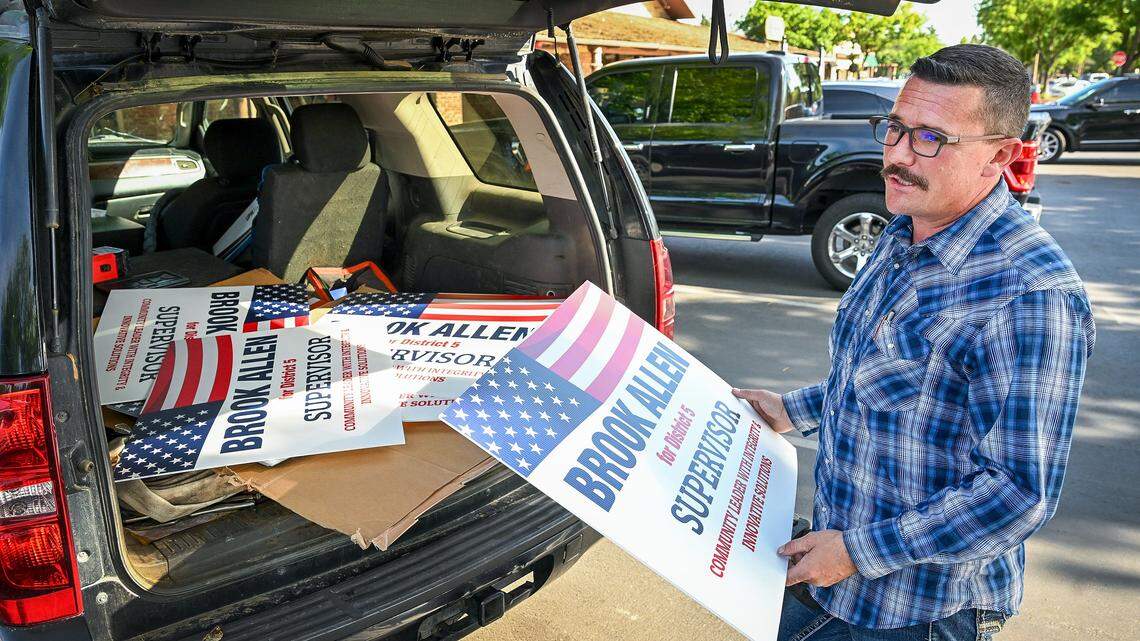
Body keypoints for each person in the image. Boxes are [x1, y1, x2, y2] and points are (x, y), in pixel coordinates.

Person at [734, 44, 1095, 641]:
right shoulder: (904, 228)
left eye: (930, 137)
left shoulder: (1029, 294)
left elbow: (1017, 493)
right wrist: (789, 409)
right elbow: (892, 378)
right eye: (895, 129)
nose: (897, 156)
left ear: (999, 155)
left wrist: (857, 551)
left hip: (919, 614)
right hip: (830, 574)